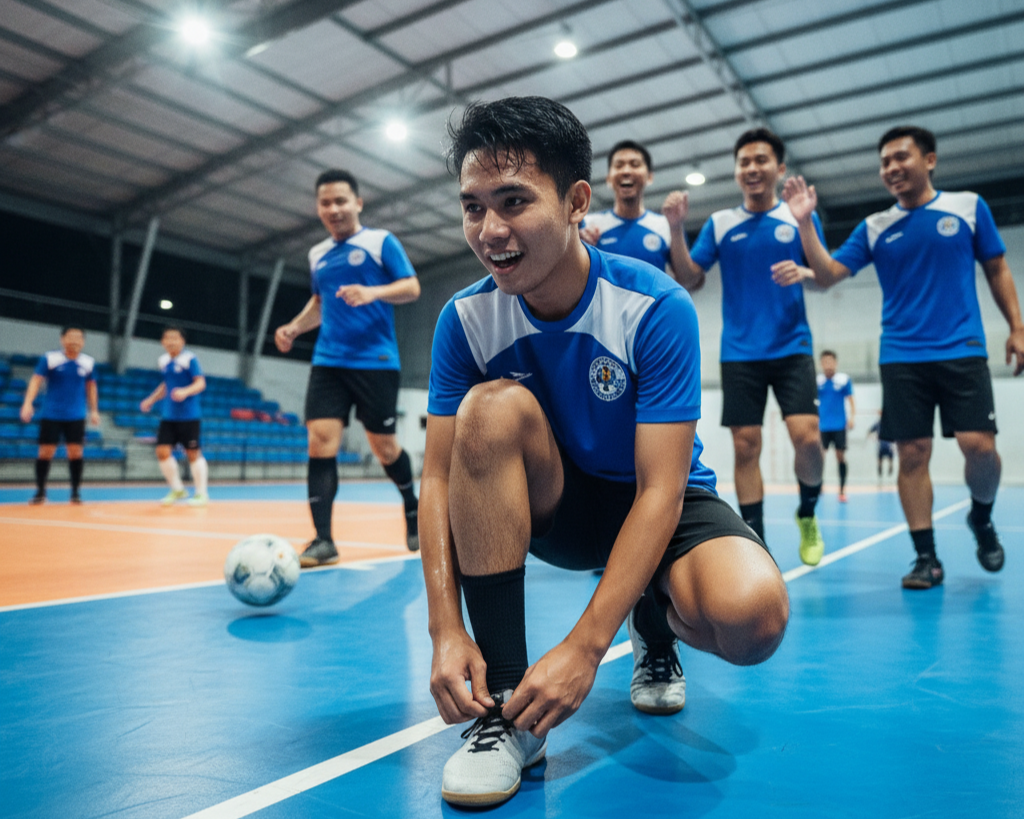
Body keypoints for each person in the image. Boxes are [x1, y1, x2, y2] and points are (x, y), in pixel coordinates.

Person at [421, 96, 788, 808]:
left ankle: (656, 620)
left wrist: (589, 645)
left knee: (754, 618)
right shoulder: (464, 317)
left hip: (656, 496)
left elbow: (660, 491)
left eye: (514, 201)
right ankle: (505, 709)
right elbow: (436, 477)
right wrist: (444, 628)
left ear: (575, 201)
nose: (490, 230)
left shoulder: (654, 308)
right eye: (472, 207)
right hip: (563, 506)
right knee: (488, 410)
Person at [781, 125, 1024, 590]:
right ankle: (926, 557)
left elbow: (997, 267)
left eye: (900, 157)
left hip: (962, 349)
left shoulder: (969, 208)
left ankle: (982, 516)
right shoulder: (875, 227)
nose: (891, 168)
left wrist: (1016, 326)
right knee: (913, 453)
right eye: (884, 162)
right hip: (902, 356)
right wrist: (806, 223)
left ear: (929, 160)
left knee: (981, 449)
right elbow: (829, 274)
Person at [666, 127, 827, 565]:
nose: (752, 168)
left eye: (760, 160)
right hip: (740, 352)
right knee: (745, 445)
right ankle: (756, 538)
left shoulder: (797, 216)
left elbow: (826, 275)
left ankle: (807, 512)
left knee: (808, 440)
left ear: (779, 167)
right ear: (737, 171)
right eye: (744, 162)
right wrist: (677, 229)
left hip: (792, 348)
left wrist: (806, 263)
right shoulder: (721, 223)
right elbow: (690, 278)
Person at [275, 169, 422, 565]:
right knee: (320, 441)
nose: (334, 209)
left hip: (375, 361)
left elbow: (411, 287)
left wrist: (372, 291)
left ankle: (413, 509)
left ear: (358, 203)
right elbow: (320, 304)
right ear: (318, 208)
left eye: (341, 200)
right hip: (328, 361)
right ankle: (324, 541)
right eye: (326, 203)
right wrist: (294, 326)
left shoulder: (380, 243)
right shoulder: (317, 254)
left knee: (385, 448)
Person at [579, 139, 688, 278]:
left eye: (635, 164)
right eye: (619, 165)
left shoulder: (666, 226)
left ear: (649, 177)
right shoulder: (588, 225)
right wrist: (579, 247)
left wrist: (676, 227)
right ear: (608, 179)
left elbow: (688, 280)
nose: (626, 171)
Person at [20, 326, 99, 504]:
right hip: (51, 414)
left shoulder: (88, 362)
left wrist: (94, 410)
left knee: (76, 452)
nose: (74, 341)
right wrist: (27, 403)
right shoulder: (50, 359)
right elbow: (36, 380)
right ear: (62, 339)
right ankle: (40, 492)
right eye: (70, 337)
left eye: (78, 337)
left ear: (83, 342)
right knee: (46, 451)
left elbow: (91, 387)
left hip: (76, 415)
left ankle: (75, 493)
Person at [140, 327, 209, 506]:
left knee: (192, 453)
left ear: (182, 341)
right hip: (169, 415)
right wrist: (151, 399)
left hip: (189, 415)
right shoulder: (163, 361)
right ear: (162, 342)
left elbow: (200, 383)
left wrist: (185, 391)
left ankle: (201, 494)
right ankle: (177, 489)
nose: (171, 341)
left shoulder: (189, 359)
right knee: (162, 451)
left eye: (175, 338)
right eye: (167, 338)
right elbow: (166, 385)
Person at [817, 350, 855, 502]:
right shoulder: (817, 381)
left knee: (840, 456)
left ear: (836, 362)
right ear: (821, 363)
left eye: (831, 361)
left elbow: (851, 400)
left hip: (839, 425)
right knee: (818, 458)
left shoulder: (843, 380)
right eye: (825, 361)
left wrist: (852, 417)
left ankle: (842, 490)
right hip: (822, 426)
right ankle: (818, 487)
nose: (828, 364)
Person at [868, 414, 895, 481]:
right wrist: (873, 438)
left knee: (890, 461)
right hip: (881, 446)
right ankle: (880, 475)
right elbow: (869, 432)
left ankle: (890, 471)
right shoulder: (877, 424)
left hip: (889, 446)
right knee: (880, 462)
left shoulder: (890, 424)